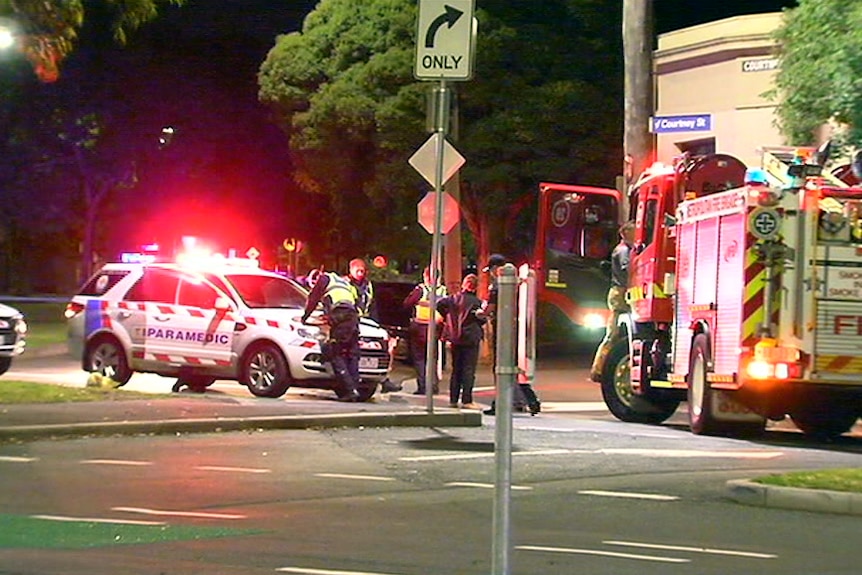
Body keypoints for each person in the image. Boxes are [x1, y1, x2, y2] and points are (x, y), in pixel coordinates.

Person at [481, 254, 541, 416]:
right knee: (511, 367)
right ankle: (527, 400)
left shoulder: (497, 285)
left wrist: (481, 313)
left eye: (491, 270)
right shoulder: (517, 283)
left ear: (496, 268)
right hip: (514, 328)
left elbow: (490, 309)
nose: (491, 274)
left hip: (501, 329)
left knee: (501, 368)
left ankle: (503, 402)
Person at [301, 269, 362, 402]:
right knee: (352, 355)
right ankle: (355, 389)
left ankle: (350, 390)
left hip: (340, 316)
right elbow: (357, 304)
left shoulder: (324, 278)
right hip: (353, 318)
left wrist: (305, 317)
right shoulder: (346, 284)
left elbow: (313, 298)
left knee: (335, 353)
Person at [346, 258, 401, 393]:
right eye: (358, 271)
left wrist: (377, 324)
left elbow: (372, 305)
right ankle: (353, 382)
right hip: (349, 321)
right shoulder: (346, 284)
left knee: (382, 350)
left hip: (365, 322)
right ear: (351, 270)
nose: (360, 273)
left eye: (362, 271)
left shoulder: (368, 285)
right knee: (353, 354)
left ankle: (383, 378)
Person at [590, 220, 635, 381]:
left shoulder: (624, 249)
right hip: (620, 293)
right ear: (626, 233)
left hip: (619, 292)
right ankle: (599, 370)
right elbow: (627, 269)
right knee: (613, 334)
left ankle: (600, 369)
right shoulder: (623, 251)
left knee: (614, 334)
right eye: (634, 232)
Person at [437, 273, 486, 409]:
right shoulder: (477, 302)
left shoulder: (452, 299)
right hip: (471, 338)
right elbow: (482, 319)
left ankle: (453, 399)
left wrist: (449, 317)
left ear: (464, 285)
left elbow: (439, 304)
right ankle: (467, 400)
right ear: (475, 287)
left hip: (455, 337)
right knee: (469, 369)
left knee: (456, 369)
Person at [402, 266, 447, 395]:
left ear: (426, 276)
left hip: (420, 326)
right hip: (436, 327)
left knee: (420, 358)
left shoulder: (421, 290)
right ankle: (433, 386)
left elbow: (407, 304)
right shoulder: (443, 290)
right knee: (432, 358)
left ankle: (423, 387)